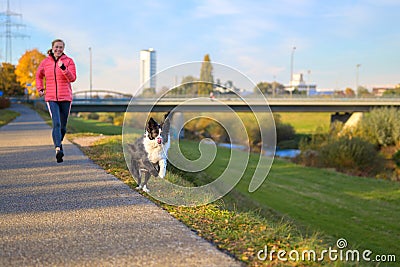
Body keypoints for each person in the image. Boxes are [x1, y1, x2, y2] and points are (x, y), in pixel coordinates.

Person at [36, 39, 77, 163]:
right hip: (51, 98)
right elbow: (39, 76)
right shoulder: (45, 62)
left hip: (65, 98)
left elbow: (73, 78)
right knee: (57, 124)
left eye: (61, 47)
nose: (58, 49)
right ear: (52, 48)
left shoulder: (69, 61)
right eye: (56, 47)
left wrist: (64, 68)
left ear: (63, 49)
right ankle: (58, 149)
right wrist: (40, 88)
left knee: (63, 127)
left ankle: (59, 145)